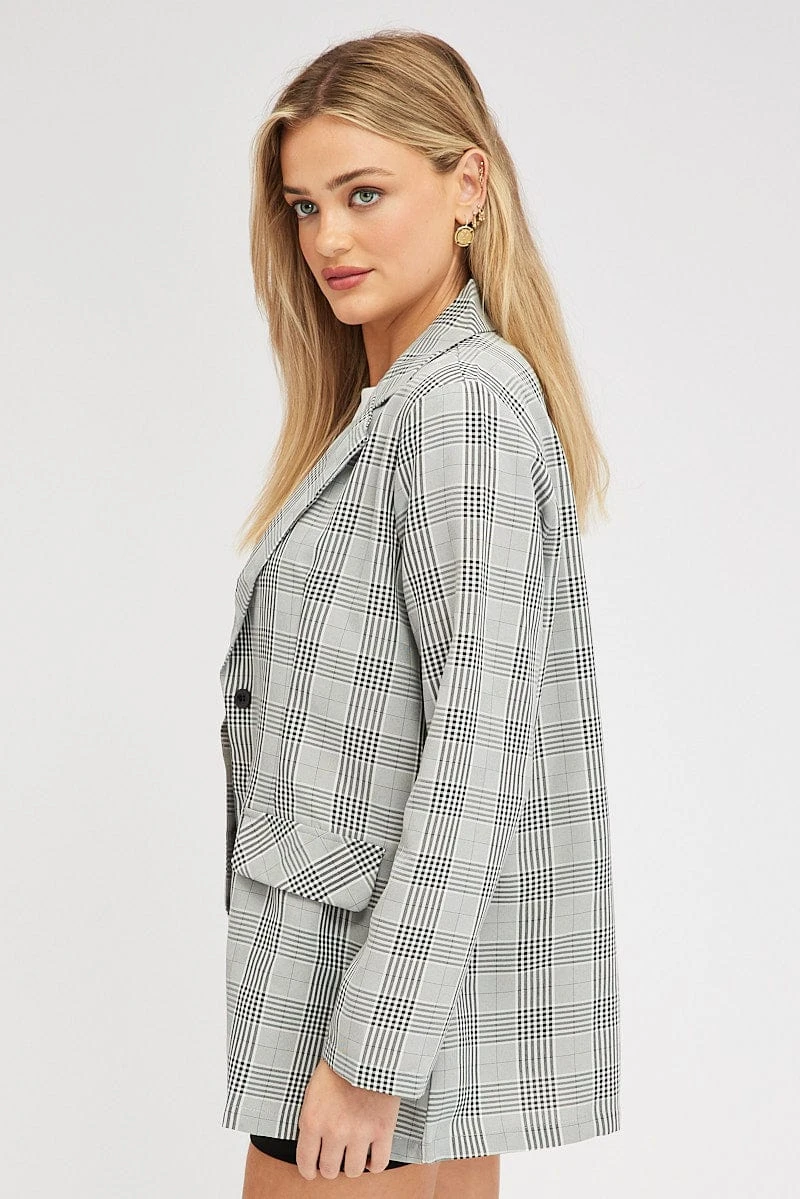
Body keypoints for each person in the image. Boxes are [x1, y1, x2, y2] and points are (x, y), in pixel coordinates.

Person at [219, 28, 621, 1198]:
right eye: (304, 206)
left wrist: (368, 1054)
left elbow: (474, 751)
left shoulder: (459, 409)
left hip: (363, 1020)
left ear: (465, 186)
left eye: (363, 193)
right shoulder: (401, 404)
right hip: (384, 1009)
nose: (326, 240)